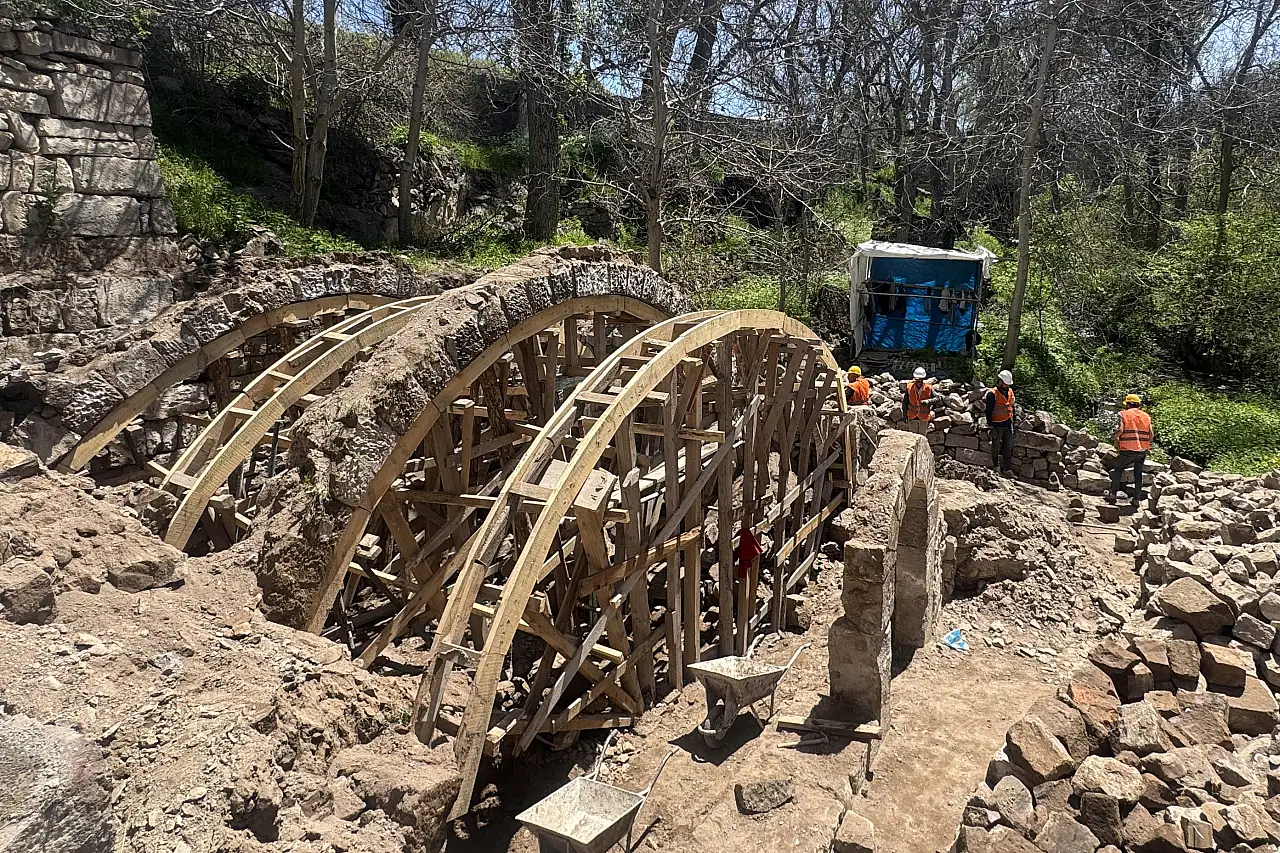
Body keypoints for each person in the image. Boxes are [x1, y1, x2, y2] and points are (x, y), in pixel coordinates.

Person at [1107, 393, 1153, 506]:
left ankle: (1113, 495)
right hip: (1142, 450)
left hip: (1128, 449)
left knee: (1118, 468)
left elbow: (1120, 430)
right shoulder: (1146, 416)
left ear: (1127, 404)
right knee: (1138, 473)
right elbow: (1151, 435)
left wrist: (1112, 437)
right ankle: (1136, 500)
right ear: (1138, 405)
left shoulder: (1123, 414)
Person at [985, 369, 1016, 475]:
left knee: (1008, 447)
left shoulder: (1010, 392)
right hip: (997, 424)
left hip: (1008, 423)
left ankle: (1007, 469)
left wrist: (1013, 421)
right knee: (996, 446)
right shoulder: (992, 394)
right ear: (1000, 382)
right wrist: (990, 426)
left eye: (1008, 384)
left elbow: (1012, 406)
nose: (1007, 386)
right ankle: (996, 467)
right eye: (1005, 384)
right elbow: (988, 411)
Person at [901, 367, 933, 435]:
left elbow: (938, 398)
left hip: (923, 417)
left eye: (920, 379)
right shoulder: (909, 387)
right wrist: (904, 415)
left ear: (923, 379)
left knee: (922, 438)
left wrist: (928, 401)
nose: (918, 381)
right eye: (917, 379)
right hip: (912, 416)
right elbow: (905, 402)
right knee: (912, 438)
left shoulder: (928, 388)